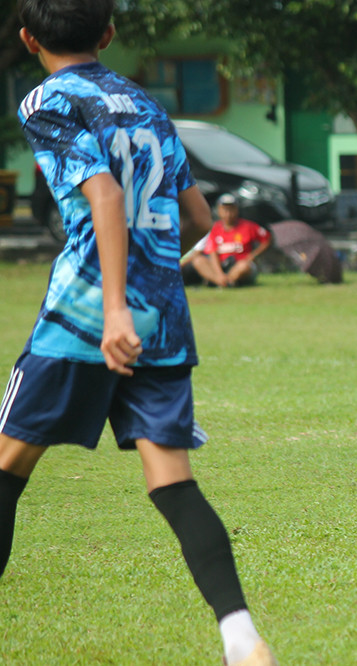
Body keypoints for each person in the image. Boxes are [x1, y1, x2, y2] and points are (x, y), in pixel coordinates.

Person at [1, 3, 276, 665]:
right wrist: (151, 278)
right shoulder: (145, 103)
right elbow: (197, 215)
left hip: (88, 312)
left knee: (6, 470)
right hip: (163, 315)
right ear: (110, 34)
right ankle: (242, 641)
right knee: (171, 480)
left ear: (28, 38)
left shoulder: (45, 98)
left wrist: (116, 308)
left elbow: (105, 198)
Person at [182, 193, 272, 287]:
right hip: (222, 266)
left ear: (237, 210)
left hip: (239, 265)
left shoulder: (248, 226)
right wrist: (219, 274)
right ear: (219, 211)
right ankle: (220, 281)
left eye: (231, 209)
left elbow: (267, 239)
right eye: (225, 210)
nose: (228, 214)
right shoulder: (214, 229)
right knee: (199, 261)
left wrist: (253, 255)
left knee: (243, 266)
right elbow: (213, 254)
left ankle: (226, 281)